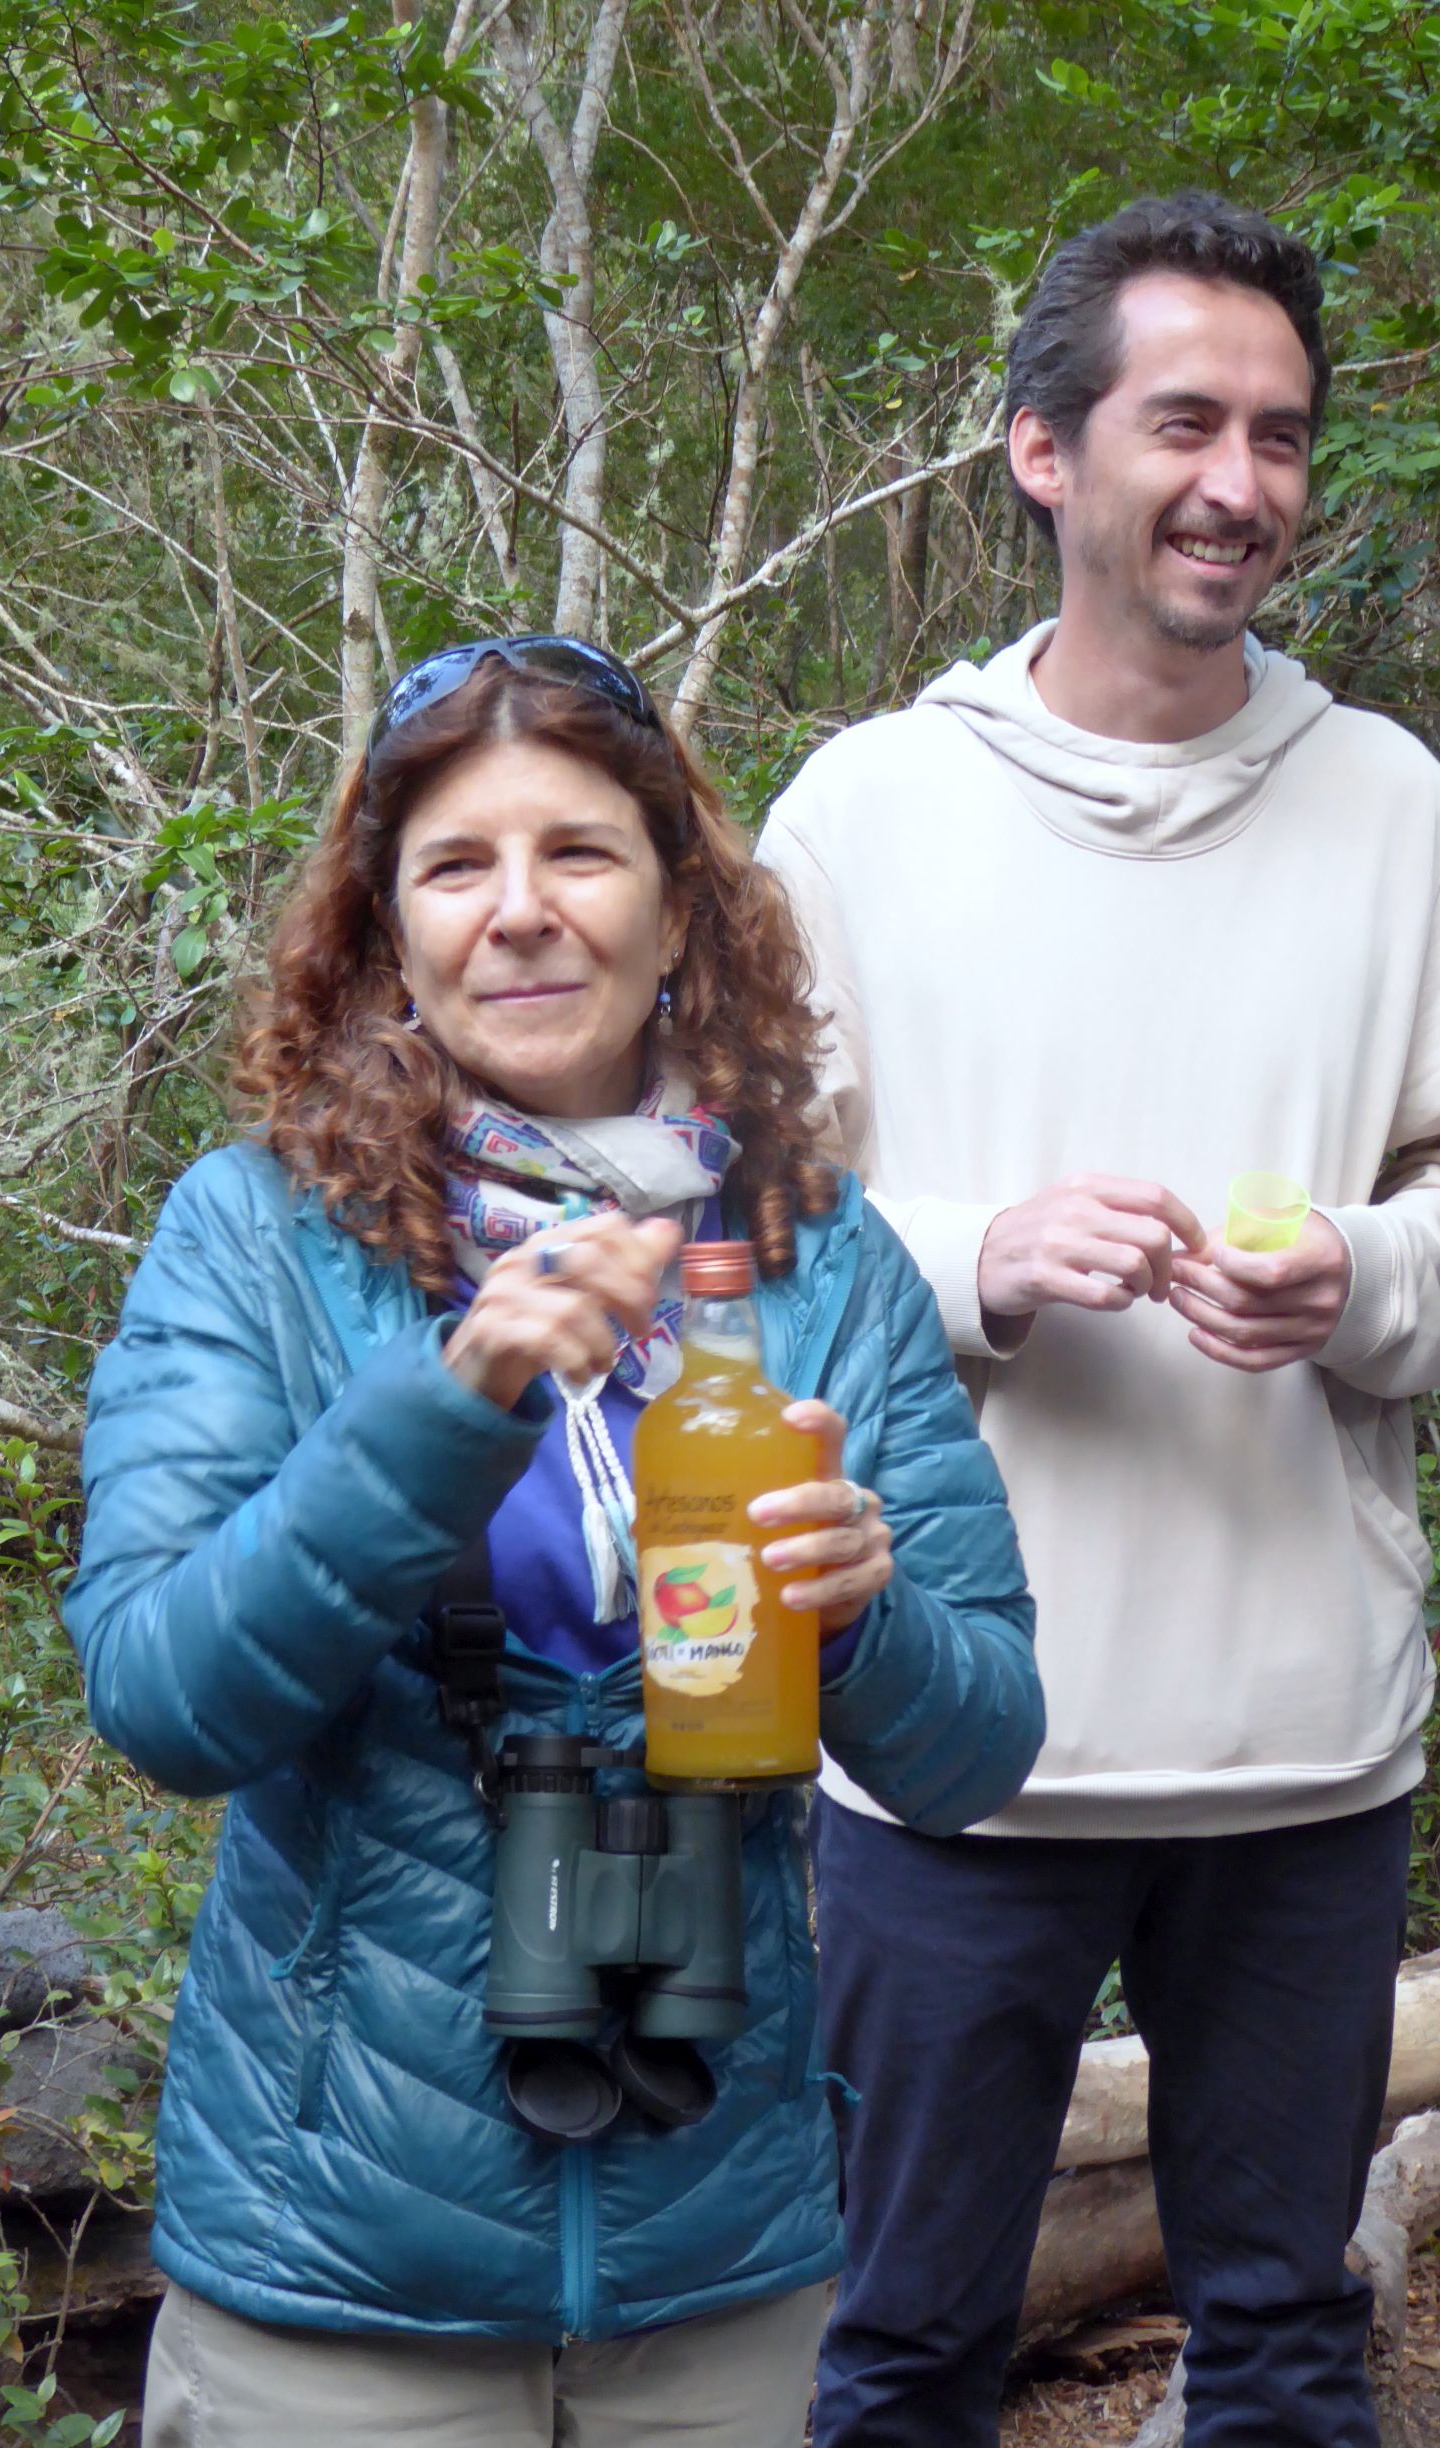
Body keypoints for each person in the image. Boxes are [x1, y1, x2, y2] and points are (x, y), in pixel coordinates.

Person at [758, 194, 1440, 2448]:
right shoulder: (865, 815)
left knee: (1286, 2350)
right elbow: (753, 1237)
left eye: (1281, 436)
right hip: (944, 1740)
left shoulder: (1394, 813)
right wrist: (976, 1262)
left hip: (1304, 1748)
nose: (1241, 482)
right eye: (1186, 422)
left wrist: (1359, 1277)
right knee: (901, 2352)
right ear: (1044, 449)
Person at [65, 633, 1042, 2448]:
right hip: (337, 2271)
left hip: (720, 2259)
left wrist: (864, 1619)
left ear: (680, 913)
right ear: (390, 934)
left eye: (580, 851)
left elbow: (978, 1746)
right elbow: (165, 1698)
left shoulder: (818, 1255)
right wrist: (444, 1406)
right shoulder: (260, 1236)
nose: (520, 910)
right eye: (457, 865)